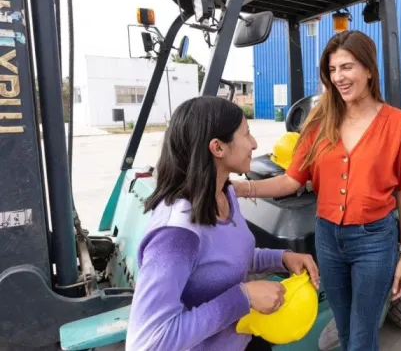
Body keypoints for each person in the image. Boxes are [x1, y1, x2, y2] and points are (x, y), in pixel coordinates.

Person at [233, 30, 401, 351]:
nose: (339, 77)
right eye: (332, 70)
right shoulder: (320, 122)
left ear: (369, 69)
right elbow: (291, 181)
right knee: (344, 330)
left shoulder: (396, 123)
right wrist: (238, 188)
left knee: (362, 336)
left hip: (374, 241)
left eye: (347, 67)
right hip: (329, 239)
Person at [126, 96, 320, 351]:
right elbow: (148, 342)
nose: (254, 143)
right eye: (246, 134)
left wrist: (282, 257)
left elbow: (228, 260)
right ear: (218, 148)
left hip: (242, 340)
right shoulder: (176, 235)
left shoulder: (225, 193)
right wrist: (243, 297)